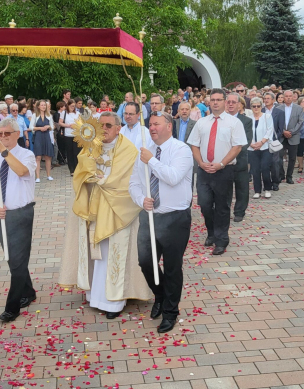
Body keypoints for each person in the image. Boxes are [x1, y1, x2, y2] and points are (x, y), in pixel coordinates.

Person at [58, 112, 151, 318]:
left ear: (119, 128)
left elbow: (128, 181)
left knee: (113, 254)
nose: (104, 129)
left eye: (109, 125)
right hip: (94, 207)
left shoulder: (129, 150)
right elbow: (79, 175)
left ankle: (114, 302)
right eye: (101, 125)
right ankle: (94, 295)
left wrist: (101, 180)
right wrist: (87, 173)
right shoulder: (90, 146)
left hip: (118, 210)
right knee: (95, 252)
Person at [129, 111, 193, 333]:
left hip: (175, 218)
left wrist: (152, 160)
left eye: (156, 124)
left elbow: (173, 177)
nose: (152, 128)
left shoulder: (181, 150)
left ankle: (170, 312)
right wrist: (140, 199)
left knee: (173, 267)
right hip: (149, 216)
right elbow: (134, 183)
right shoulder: (145, 153)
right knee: (146, 262)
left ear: (169, 126)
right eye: (150, 125)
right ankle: (160, 295)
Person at [0, 118, 38, 322]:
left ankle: (12, 307)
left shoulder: (26, 155)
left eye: (7, 134)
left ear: (17, 134)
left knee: (18, 260)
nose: (2, 137)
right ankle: (28, 291)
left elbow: (21, 171)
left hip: (21, 213)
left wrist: (4, 151)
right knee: (12, 258)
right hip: (1, 213)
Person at [187, 88, 247, 256]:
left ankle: (221, 240)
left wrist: (221, 163)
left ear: (225, 101)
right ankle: (211, 232)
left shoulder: (234, 123)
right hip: (204, 169)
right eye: (212, 99)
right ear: (209, 101)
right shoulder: (202, 122)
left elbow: (237, 147)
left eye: (219, 100)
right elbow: (194, 144)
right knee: (205, 204)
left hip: (224, 170)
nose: (215, 102)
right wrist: (200, 162)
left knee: (222, 206)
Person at [225, 92, 253, 222]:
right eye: (228, 102)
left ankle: (239, 212)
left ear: (239, 105)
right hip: (223, 160)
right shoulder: (221, 119)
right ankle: (224, 210)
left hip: (240, 158)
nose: (230, 104)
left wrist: (233, 151)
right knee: (225, 189)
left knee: (242, 188)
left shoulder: (246, 121)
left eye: (233, 102)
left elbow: (246, 141)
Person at [248, 96, 276, 199]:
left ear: (261, 106)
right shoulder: (249, 118)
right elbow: (247, 133)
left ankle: (267, 189)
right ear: (251, 107)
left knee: (265, 168)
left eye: (258, 106)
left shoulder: (267, 116)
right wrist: (251, 143)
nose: (256, 108)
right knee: (255, 170)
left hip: (265, 147)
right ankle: (257, 190)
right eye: (254, 106)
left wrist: (261, 142)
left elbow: (269, 131)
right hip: (252, 148)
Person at [277, 90, 303, 184]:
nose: (288, 98)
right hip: (281, 136)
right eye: (286, 96)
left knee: (292, 158)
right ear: (283, 97)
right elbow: (276, 123)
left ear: (293, 97)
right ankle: (281, 175)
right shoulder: (279, 108)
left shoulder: (298, 108)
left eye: (290, 96)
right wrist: (283, 132)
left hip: (293, 136)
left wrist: (291, 132)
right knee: (279, 157)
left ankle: (289, 176)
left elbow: (300, 122)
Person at [30, 100, 55, 182]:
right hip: (38, 136)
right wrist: (40, 128)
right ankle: (37, 177)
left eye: (45, 105)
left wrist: (48, 127)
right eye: (42, 105)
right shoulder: (34, 115)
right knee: (38, 157)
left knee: (48, 156)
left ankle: (49, 175)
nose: (44, 106)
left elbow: (52, 126)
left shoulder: (49, 116)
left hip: (47, 136)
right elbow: (31, 127)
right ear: (38, 106)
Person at [59, 100, 81, 175]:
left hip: (76, 135)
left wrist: (76, 125)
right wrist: (68, 125)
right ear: (68, 106)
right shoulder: (64, 113)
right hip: (67, 134)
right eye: (71, 106)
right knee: (69, 152)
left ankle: (77, 168)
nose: (73, 107)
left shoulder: (77, 113)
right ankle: (72, 169)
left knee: (76, 152)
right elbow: (60, 122)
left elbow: (81, 123)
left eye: (74, 106)